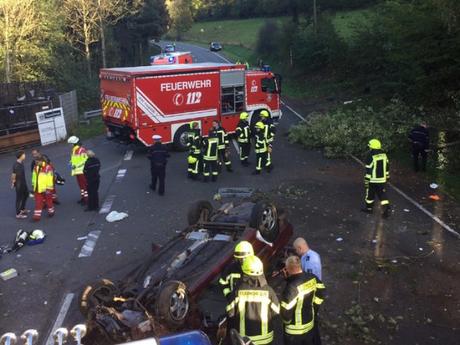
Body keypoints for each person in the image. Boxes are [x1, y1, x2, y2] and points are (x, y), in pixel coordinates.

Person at [226, 255, 280, 345]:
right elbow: (276, 312)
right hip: (265, 339)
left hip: (245, 339)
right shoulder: (269, 291)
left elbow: (230, 312)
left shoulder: (239, 290)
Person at [281, 256, 325, 345]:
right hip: (309, 324)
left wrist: (287, 322)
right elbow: (320, 294)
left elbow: (286, 311)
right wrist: (314, 310)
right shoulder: (313, 278)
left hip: (294, 331)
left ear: (288, 269)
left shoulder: (291, 287)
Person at [363, 139, 390, 217]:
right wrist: (387, 176)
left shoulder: (370, 156)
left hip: (373, 180)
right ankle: (386, 207)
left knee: (370, 195)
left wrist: (366, 181)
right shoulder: (384, 155)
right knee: (382, 194)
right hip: (382, 179)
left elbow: (368, 169)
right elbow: (387, 166)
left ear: (372, 147)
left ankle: (369, 209)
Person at [31, 156, 54, 221]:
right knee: (38, 202)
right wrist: (33, 185)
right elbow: (33, 177)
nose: (36, 163)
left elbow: (50, 179)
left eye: (37, 162)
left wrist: (48, 189)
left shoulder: (48, 168)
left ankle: (51, 212)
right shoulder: (36, 167)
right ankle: (36, 217)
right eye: (35, 162)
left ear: (41, 161)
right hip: (37, 188)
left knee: (48, 201)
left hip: (46, 188)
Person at [67, 136, 88, 205]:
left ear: (73, 143)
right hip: (77, 171)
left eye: (70, 144)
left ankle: (87, 199)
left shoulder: (81, 150)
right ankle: (83, 197)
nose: (70, 145)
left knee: (84, 186)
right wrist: (70, 162)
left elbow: (85, 161)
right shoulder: (74, 150)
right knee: (81, 186)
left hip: (81, 171)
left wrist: (76, 166)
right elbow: (74, 159)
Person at [11, 150, 29, 219]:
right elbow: (13, 174)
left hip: (23, 182)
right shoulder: (16, 165)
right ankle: (18, 214)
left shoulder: (21, 163)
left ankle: (22, 209)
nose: (25, 155)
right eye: (24, 154)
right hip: (19, 184)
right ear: (21, 156)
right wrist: (13, 182)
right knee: (19, 198)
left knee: (26, 194)